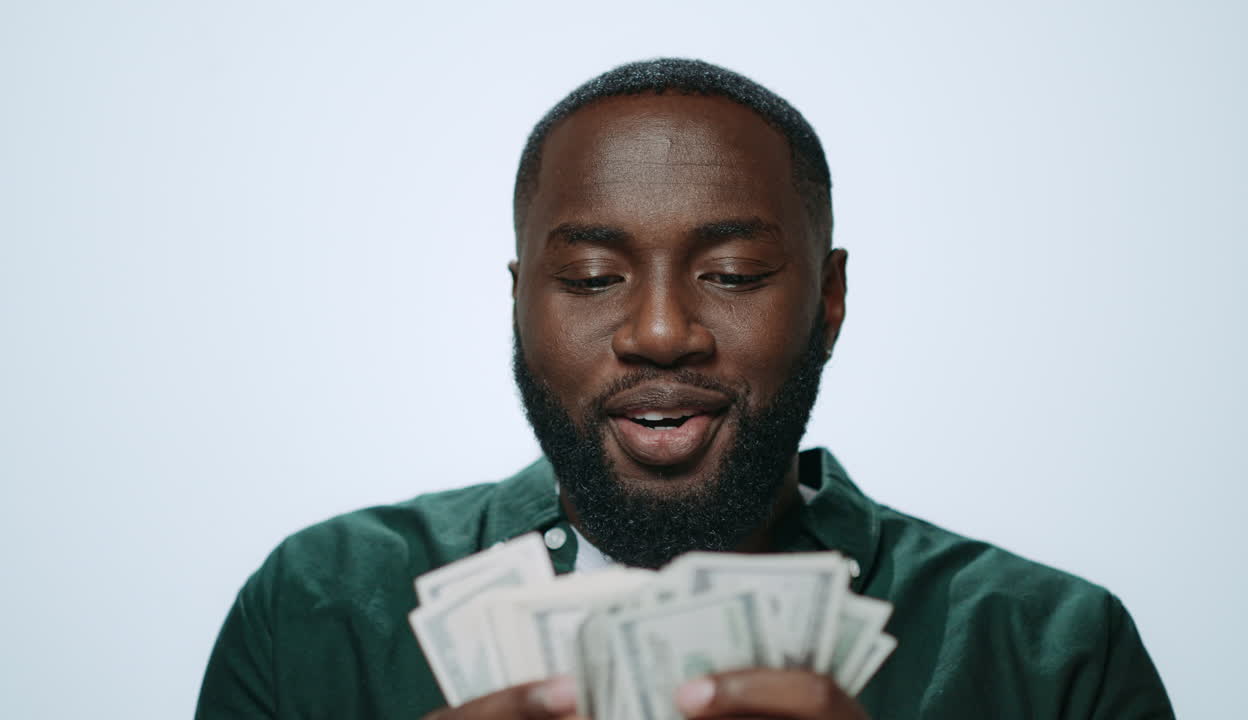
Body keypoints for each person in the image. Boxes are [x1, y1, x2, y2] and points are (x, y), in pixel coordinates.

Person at [195, 58, 1173, 720]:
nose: (659, 333)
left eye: (735, 272)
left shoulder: (1053, 656)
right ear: (518, 302)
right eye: (588, 279)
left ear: (828, 300)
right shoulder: (313, 612)